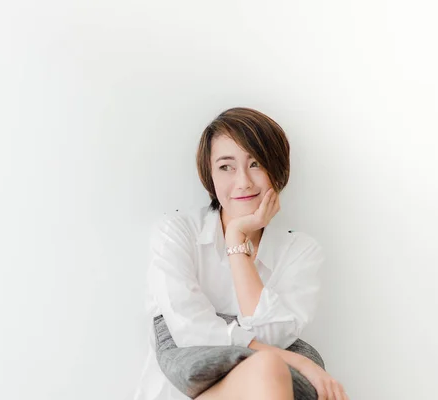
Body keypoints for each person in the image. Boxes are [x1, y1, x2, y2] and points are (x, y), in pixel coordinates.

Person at [133, 107, 348, 400]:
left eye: (256, 163)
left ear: (277, 169)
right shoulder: (176, 233)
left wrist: (237, 243)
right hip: (180, 395)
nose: (244, 181)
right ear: (209, 175)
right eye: (226, 167)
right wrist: (295, 360)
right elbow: (190, 334)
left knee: (267, 368)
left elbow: (274, 335)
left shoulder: (300, 252)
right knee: (268, 367)